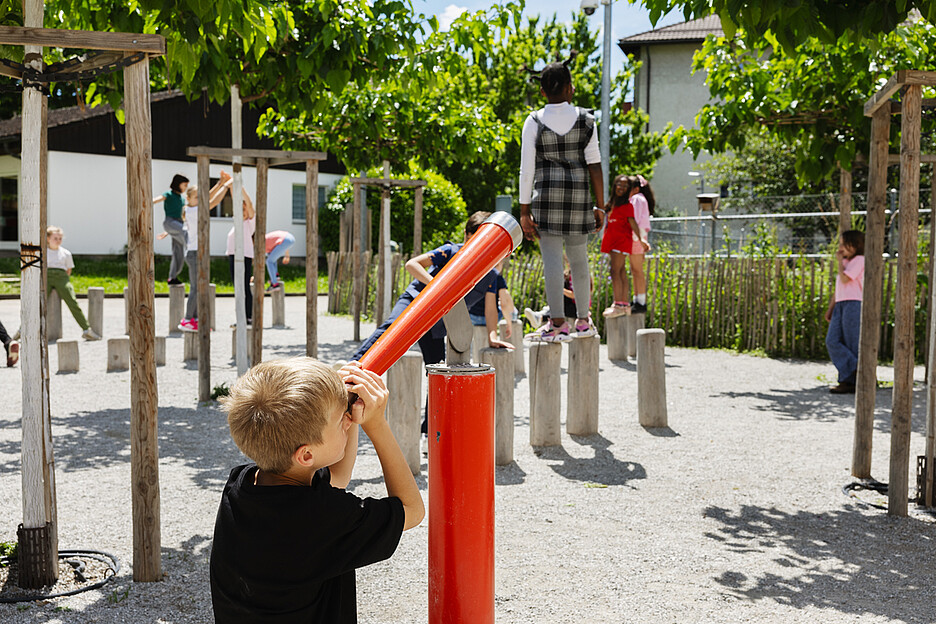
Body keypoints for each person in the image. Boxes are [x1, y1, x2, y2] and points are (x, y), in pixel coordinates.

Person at [210, 357, 424, 622]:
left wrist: (346, 407)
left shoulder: (241, 484)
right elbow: (412, 510)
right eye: (341, 420)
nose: (348, 420)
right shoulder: (325, 519)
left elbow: (338, 477)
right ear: (306, 455)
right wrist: (376, 424)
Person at [350, 212, 512, 433]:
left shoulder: (490, 274)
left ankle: (429, 429)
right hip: (417, 301)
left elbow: (491, 308)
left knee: (436, 373)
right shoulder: (451, 251)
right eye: (473, 239)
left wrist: (493, 336)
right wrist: (437, 286)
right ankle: (353, 366)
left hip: (436, 325)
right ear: (466, 235)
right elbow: (412, 264)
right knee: (390, 329)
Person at [519, 61, 603, 342]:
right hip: (579, 198)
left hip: (546, 199)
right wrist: (600, 206)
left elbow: (526, 169)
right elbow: (595, 165)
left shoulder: (534, 121)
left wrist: (523, 211)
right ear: (570, 87)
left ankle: (556, 324)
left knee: (552, 262)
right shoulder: (587, 119)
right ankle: (582, 320)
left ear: (542, 91)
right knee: (580, 262)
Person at [175, 173, 232, 332]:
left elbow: (206, 197)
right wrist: (227, 186)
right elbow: (213, 201)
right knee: (196, 288)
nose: (199, 199)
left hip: (197, 253)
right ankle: (187, 319)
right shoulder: (193, 212)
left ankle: (194, 319)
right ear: (188, 198)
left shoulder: (194, 208)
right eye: (196, 197)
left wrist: (220, 183)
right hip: (194, 254)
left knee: (200, 287)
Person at [601, 175, 649, 319]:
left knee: (615, 271)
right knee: (620, 271)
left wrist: (641, 240)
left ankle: (619, 304)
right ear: (614, 186)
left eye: (624, 186)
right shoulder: (612, 204)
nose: (621, 188)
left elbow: (633, 222)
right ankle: (623, 303)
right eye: (618, 184)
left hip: (621, 241)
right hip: (612, 240)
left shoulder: (628, 205)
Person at [824, 229, 865, 394]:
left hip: (853, 303)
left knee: (851, 342)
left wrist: (839, 262)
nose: (840, 248)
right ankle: (858, 368)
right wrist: (830, 307)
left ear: (855, 245)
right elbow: (839, 286)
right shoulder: (847, 263)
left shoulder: (860, 260)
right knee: (832, 340)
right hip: (841, 304)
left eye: (844, 244)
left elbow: (846, 278)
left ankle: (849, 381)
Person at [46, 226, 100, 341]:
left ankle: (86, 329)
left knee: (72, 302)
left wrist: (62, 281)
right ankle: (22, 329)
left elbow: (68, 270)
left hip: (61, 278)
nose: (58, 241)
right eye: (55, 238)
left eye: (60, 238)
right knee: (39, 302)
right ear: (48, 239)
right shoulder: (44, 253)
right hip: (47, 278)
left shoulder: (66, 253)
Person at [226, 187, 256, 326]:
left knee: (243, 287)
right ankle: (241, 317)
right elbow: (235, 200)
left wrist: (239, 185)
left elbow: (249, 204)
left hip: (244, 256)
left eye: (244, 209)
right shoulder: (237, 221)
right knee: (238, 288)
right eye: (240, 209)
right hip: (233, 255)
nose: (242, 211)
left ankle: (248, 317)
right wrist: (232, 187)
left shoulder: (249, 222)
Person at [153, 174, 189, 285]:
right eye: (185, 185)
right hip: (170, 222)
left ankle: (172, 278)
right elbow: (159, 199)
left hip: (176, 225)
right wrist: (148, 201)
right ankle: (193, 250)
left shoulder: (181, 199)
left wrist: (167, 232)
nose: (186, 188)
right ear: (178, 184)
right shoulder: (169, 194)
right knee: (187, 234)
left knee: (178, 254)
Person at [627, 175, 655, 314]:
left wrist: (635, 237)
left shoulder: (636, 199)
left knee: (637, 270)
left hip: (636, 238)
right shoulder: (639, 199)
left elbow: (634, 220)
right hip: (638, 237)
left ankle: (641, 301)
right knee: (635, 270)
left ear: (636, 188)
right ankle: (637, 299)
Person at [468, 259, 516, 340]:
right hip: (491, 318)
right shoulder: (499, 279)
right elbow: (504, 305)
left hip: (472, 317)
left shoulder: (478, 276)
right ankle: (514, 315)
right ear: (500, 264)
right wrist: (509, 323)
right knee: (506, 294)